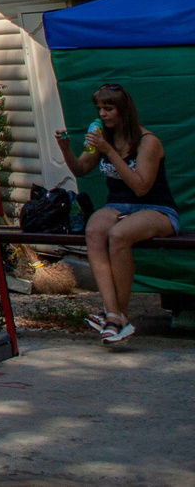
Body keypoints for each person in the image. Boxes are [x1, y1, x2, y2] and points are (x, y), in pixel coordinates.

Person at [53, 83, 178, 344]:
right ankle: (113, 314)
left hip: (155, 207)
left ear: (124, 110)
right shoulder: (102, 137)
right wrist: (65, 148)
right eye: (99, 108)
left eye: (108, 109)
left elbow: (141, 187)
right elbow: (80, 169)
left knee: (119, 235)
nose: (102, 114)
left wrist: (109, 151)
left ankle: (119, 316)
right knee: (94, 230)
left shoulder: (148, 142)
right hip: (118, 205)